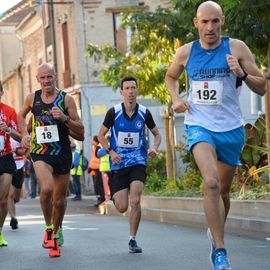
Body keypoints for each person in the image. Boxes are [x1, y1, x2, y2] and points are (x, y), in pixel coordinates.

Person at [165, 1, 266, 269]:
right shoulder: (186, 52)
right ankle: (220, 251)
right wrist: (176, 98)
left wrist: (242, 74)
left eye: (215, 21)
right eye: (205, 22)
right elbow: (170, 76)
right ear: (196, 23)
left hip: (231, 128)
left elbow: (262, 86)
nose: (210, 27)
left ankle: (215, 229)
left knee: (222, 192)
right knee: (210, 183)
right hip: (199, 125)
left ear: (222, 21)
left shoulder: (237, 48)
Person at [18, 63, 84, 257]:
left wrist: (64, 118)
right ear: (38, 80)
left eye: (49, 77)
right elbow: (20, 117)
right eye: (42, 78)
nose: (46, 81)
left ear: (55, 76)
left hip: (62, 153)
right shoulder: (32, 99)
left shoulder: (67, 99)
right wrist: (23, 134)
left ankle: (56, 235)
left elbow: (81, 132)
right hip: (40, 151)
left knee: (60, 201)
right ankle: (49, 228)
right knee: (46, 189)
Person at [98, 76, 161, 253]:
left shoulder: (144, 113)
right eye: (127, 88)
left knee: (135, 200)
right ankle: (117, 194)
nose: (131, 91)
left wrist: (154, 148)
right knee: (122, 206)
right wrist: (111, 152)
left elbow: (157, 134)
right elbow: (101, 135)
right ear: (121, 92)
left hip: (138, 161)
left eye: (133, 88)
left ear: (137, 90)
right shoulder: (113, 112)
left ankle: (132, 239)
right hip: (119, 164)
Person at [0, 80, 22, 246]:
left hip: (5, 156)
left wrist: (8, 129)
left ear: (1, 93)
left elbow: (20, 137)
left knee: (3, 198)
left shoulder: (9, 111)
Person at [8, 138, 27, 230]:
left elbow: (25, 151)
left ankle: (10, 204)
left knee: (17, 197)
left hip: (19, 166)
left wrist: (15, 150)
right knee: (10, 194)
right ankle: (13, 218)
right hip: (6, 166)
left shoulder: (16, 135)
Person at [88, 136, 105, 207]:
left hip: (97, 169)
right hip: (94, 169)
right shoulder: (95, 147)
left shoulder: (98, 147)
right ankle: (99, 199)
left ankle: (101, 199)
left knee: (98, 185)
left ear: (95, 141)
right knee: (97, 186)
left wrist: (91, 168)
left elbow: (97, 159)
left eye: (93, 140)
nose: (92, 142)